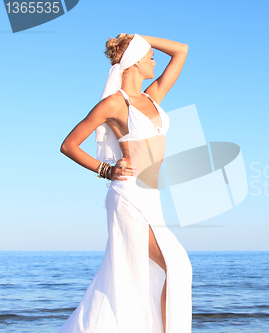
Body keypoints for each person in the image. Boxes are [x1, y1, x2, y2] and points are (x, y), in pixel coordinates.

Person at [59, 33, 192, 333]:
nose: (154, 60)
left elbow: (181, 51)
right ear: (135, 60)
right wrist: (105, 170)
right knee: (177, 264)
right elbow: (69, 145)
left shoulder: (152, 96)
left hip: (152, 198)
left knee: (145, 274)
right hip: (128, 196)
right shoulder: (114, 104)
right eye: (149, 56)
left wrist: (140, 37)